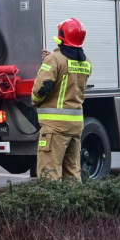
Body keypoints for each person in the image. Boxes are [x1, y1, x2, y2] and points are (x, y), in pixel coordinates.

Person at [31, 18, 92, 181]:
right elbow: (68, 69)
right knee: (72, 172)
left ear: (62, 35)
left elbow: (42, 87)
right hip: (76, 126)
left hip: (54, 127)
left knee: (49, 172)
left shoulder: (54, 60)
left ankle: (54, 207)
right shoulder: (86, 62)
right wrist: (52, 58)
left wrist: (35, 100)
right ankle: (75, 206)